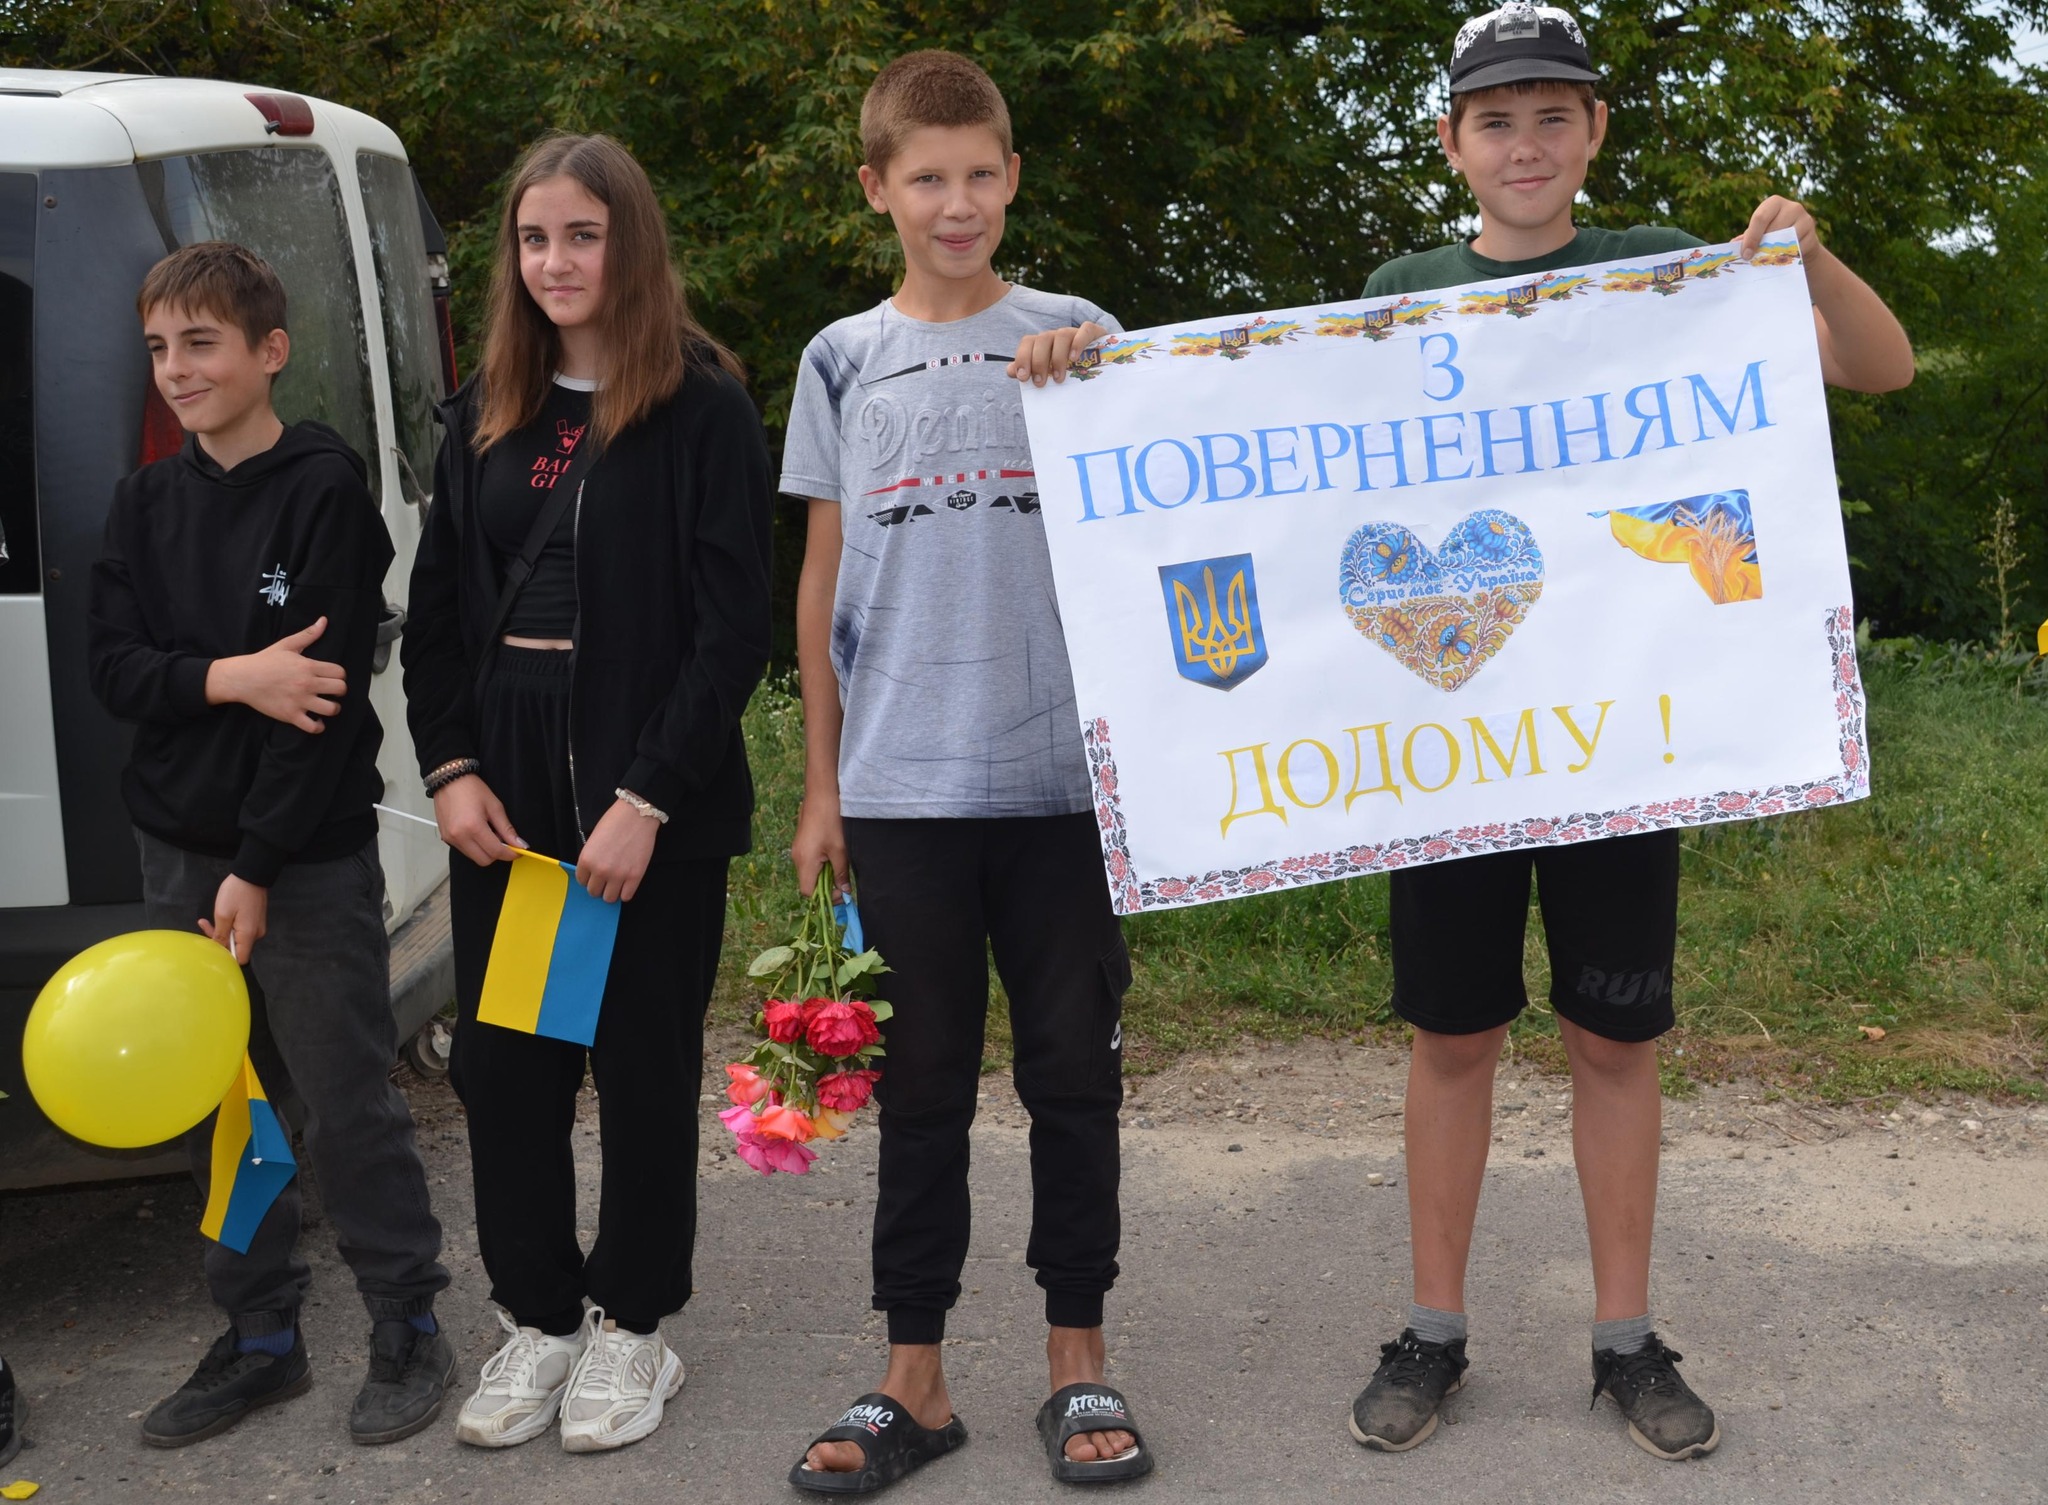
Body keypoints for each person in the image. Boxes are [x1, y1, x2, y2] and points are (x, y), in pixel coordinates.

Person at [1342, 2, 1914, 1463]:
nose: (1524, 144)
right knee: (1453, 1036)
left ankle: (1624, 1339)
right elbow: (1294, 472)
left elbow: (1880, 366)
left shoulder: (1665, 273)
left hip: (1620, 743)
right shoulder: (1401, 291)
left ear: (1594, 129)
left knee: (1611, 1037)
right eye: (1495, 119)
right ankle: (1431, 1329)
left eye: (1553, 114)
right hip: (1454, 742)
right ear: (1451, 141)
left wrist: (1806, 254)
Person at [782, 48, 1154, 1495]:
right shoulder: (838, 357)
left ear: (1012, 178)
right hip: (900, 792)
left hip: (1064, 789)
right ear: (875, 188)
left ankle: (1078, 1359)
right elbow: (819, 584)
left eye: (979, 175)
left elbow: (1157, 529)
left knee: (1073, 1080)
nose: (957, 203)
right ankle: (913, 1378)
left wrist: (1091, 388)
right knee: (921, 1090)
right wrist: (822, 787)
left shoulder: (1082, 333)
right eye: (926, 178)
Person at [402, 132, 773, 1454]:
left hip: (643, 795)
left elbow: (732, 627)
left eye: (582, 235)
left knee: (641, 1066)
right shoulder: (487, 407)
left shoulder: (701, 405)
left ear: (630, 243)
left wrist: (648, 797)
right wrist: (450, 769)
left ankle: (633, 1324)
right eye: (533, 238)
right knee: (509, 1069)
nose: (555, 261)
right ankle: (542, 1317)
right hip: (510, 800)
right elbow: (435, 617)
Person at [87, 241, 453, 1447]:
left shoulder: (322, 491)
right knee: (223, 1100)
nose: (176, 369)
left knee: (345, 1098)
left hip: (300, 858)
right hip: (176, 852)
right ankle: (259, 1334)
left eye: (200, 343)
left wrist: (253, 866)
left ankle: (408, 1318)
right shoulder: (144, 502)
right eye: (159, 348)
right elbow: (115, 670)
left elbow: (322, 714)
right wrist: (233, 674)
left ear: (269, 351)